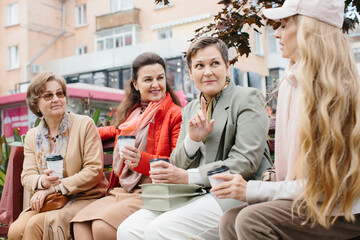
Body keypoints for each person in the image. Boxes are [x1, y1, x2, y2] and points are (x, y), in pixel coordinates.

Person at [212, 0, 360, 239]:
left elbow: (322, 189)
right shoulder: (294, 81)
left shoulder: (337, 92)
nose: (277, 33)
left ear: (308, 30)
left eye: (284, 24)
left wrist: (252, 189)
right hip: (317, 201)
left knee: (252, 220)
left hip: (346, 209)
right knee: (230, 219)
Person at [117, 37, 272, 239]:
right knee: (128, 230)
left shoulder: (247, 98)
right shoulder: (190, 108)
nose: (207, 72)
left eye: (214, 63)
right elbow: (176, 163)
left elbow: (245, 162)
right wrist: (193, 139)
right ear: (191, 73)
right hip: (195, 194)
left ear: (227, 67)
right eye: (199, 65)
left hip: (235, 193)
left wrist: (189, 176)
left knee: (161, 230)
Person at [71, 52, 182, 240]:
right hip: (123, 190)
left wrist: (142, 160)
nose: (156, 84)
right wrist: (80, 132)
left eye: (160, 78)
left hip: (151, 191)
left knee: (101, 227)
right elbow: (115, 131)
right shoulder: (133, 115)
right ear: (136, 84)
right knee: (79, 224)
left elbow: (177, 163)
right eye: (148, 79)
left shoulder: (175, 115)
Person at [8, 72, 107, 240]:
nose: (56, 99)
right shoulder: (33, 136)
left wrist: (55, 187)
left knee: (36, 225)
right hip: (50, 201)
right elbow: (27, 175)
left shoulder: (84, 124)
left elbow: (94, 170)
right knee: (15, 231)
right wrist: (42, 182)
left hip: (84, 197)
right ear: (36, 104)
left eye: (59, 93)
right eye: (48, 95)